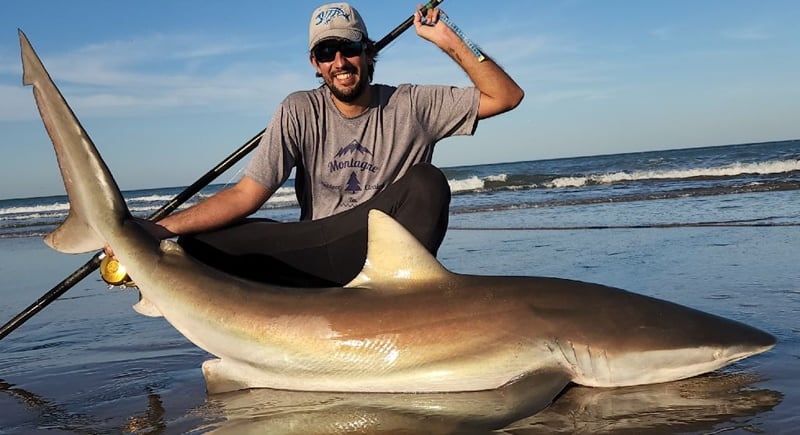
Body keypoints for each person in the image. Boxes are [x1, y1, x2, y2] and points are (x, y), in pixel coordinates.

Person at [138, 3, 524, 287]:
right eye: (326, 52)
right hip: (317, 248)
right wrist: (158, 230)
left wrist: (450, 40)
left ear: (368, 52)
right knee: (195, 244)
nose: (339, 61)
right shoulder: (299, 109)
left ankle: (403, 303)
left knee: (428, 181)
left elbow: (506, 96)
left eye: (348, 47)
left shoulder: (413, 104)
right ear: (315, 63)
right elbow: (245, 195)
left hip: (387, 256)